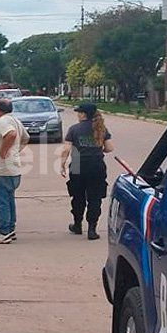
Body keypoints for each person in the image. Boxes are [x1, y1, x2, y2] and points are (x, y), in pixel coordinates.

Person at [59, 102, 114, 240]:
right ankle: (92, 229)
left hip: (78, 167)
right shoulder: (101, 129)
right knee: (95, 198)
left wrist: (62, 164)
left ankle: (77, 225)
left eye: (79, 112)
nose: (77, 114)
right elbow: (109, 148)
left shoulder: (74, 129)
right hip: (97, 167)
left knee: (78, 196)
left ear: (83, 114)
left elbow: (66, 149)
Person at [0, 100, 28, 244]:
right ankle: (10, 228)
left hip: (1, 169)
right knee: (8, 199)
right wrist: (15, 151)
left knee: (0, 201)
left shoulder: (3, 121)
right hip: (12, 168)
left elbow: (11, 134)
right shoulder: (15, 120)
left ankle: (3, 232)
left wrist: (3, 151)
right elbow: (26, 137)